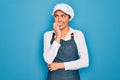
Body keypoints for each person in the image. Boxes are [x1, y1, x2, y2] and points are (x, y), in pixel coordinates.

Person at [43, 3, 89, 80]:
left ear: (69, 18)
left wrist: (60, 65)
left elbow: (85, 62)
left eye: (63, 16)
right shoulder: (48, 35)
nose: (59, 20)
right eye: (56, 16)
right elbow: (48, 59)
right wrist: (58, 36)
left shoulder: (78, 34)